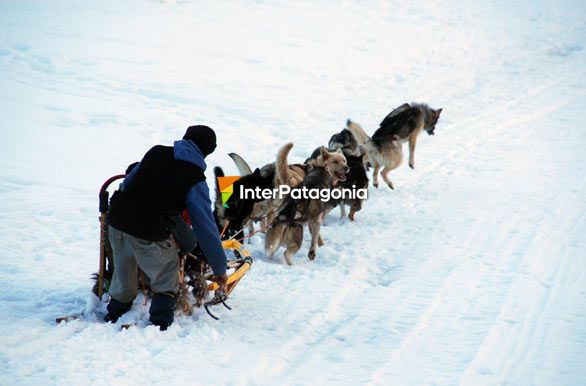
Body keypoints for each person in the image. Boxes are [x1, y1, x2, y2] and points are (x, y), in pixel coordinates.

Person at [105, 125, 228, 330]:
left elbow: (126, 183)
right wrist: (219, 268)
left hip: (116, 223)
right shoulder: (195, 179)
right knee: (166, 271)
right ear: (208, 151)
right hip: (147, 231)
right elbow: (205, 228)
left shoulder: (156, 151)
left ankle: (115, 311)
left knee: (124, 271)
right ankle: (160, 323)